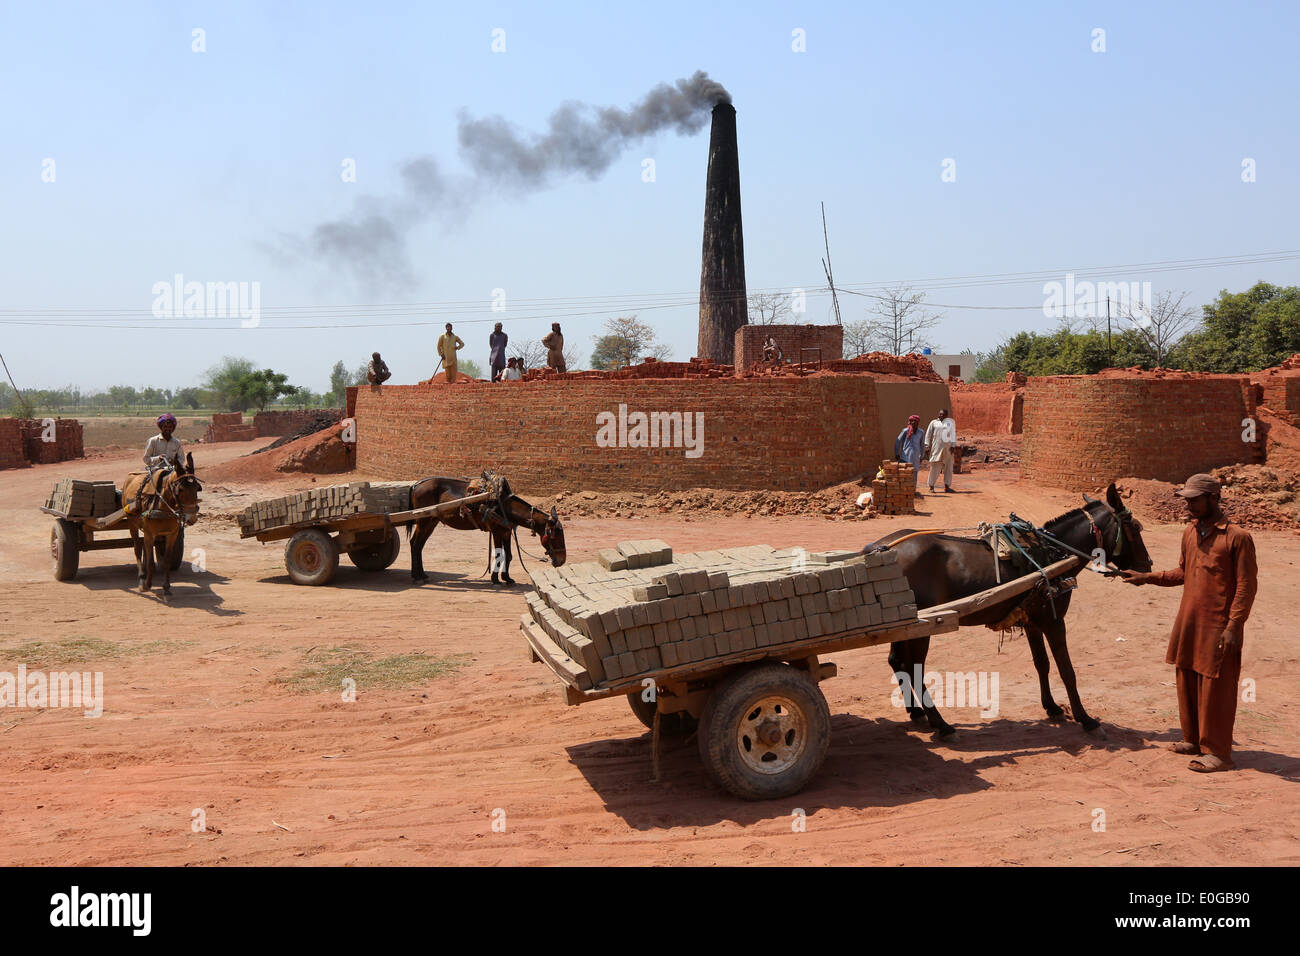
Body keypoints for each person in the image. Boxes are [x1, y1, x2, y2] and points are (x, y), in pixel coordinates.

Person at [1119, 474, 1257, 773]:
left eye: (1195, 500)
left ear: (1213, 499)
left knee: (1215, 686)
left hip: (1219, 623)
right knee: (1186, 677)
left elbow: (1247, 586)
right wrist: (1148, 578)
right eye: (1187, 500)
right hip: (1189, 619)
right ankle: (1193, 740)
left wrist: (1235, 625)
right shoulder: (1190, 532)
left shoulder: (1238, 537)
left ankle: (1219, 753)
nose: (1189, 505)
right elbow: (1183, 572)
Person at [923, 408, 956, 493]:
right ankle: (931, 486)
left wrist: (953, 445)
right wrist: (927, 446)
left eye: (943, 414)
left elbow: (953, 434)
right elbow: (928, 434)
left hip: (948, 449)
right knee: (935, 467)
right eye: (940, 414)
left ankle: (947, 486)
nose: (941, 415)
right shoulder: (934, 423)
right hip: (937, 448)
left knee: (948, 468)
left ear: (946, 415)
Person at [894, 414, 924, 490]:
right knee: (905, 474)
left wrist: (922, 456)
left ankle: (913, 491)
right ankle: (904, 490)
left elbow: (922, 445)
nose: (913, 422)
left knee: (914, 473)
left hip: (916, 457)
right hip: (905, 457)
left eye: (915, 421)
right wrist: (897, 453)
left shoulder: (921, 432)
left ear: (918, 422)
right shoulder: (905, 431)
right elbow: (898, 442)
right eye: (911, 421)